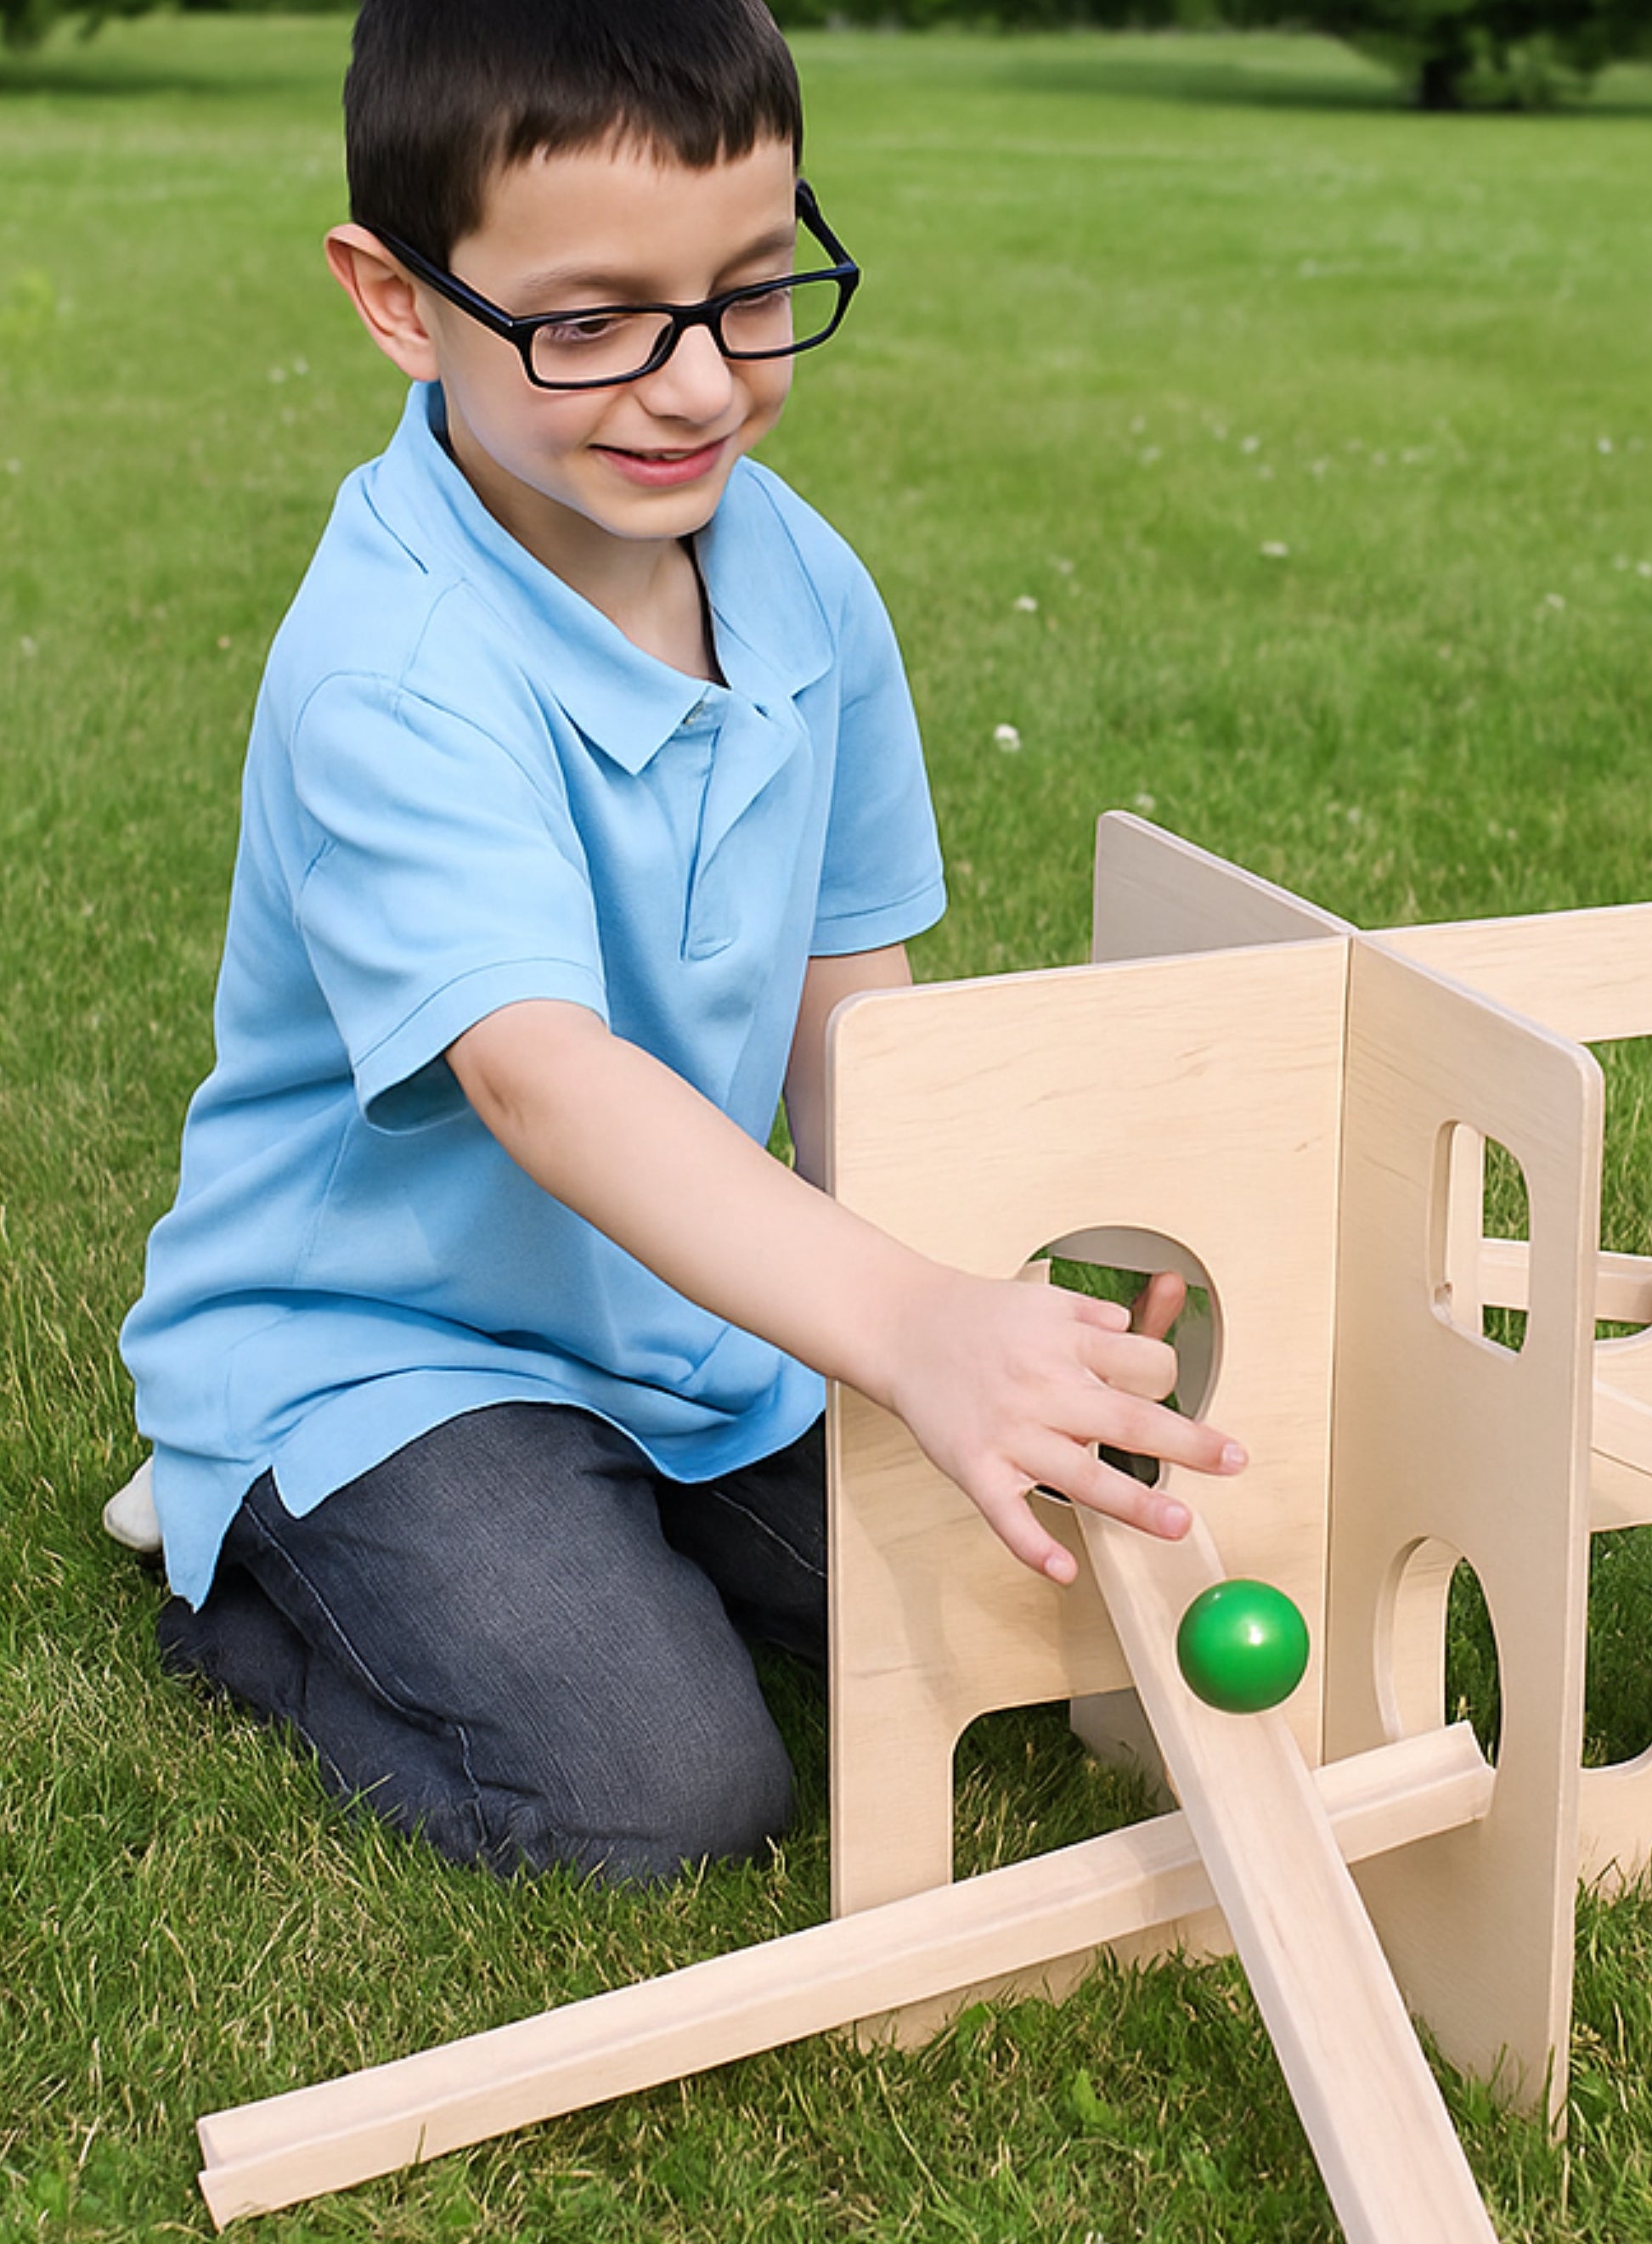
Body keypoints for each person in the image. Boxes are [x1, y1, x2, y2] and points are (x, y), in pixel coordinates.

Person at [116, 0, 1240, 1883]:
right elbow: (540, 1083)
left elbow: (842, 1003)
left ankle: (620, 1531)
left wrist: (958, 1315)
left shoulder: (799, 578)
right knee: (660, 1793)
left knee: (1043, 1616)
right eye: (593, 323)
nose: (700, 383)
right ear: (398, 302)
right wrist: (899, 1327)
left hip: (701, 1330)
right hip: (388, 1356)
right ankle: (250, 1557)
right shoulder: (394, 670)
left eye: (747, 286)